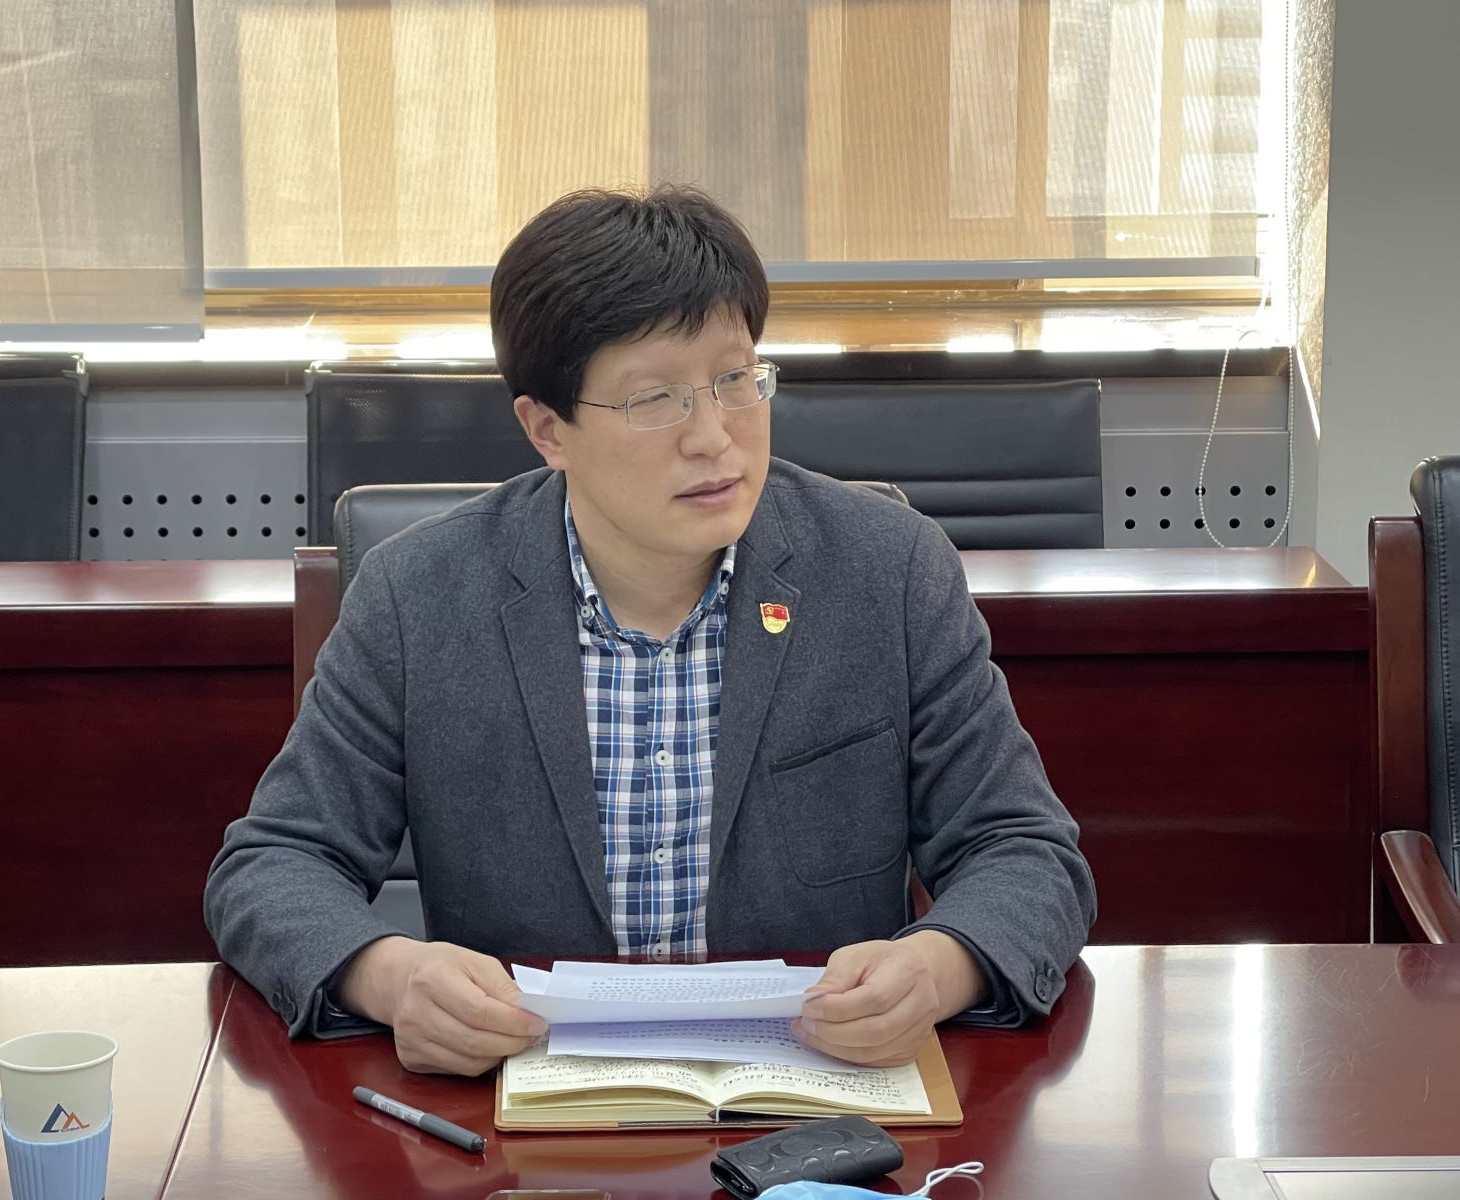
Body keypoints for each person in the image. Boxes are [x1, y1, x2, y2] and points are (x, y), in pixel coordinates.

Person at [205, 186, 1095, 1078]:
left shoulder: (886, 572)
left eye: (736, 381)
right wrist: (390, 977)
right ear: (547, 429)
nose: (714, 438)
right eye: (655, 399)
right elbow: (273, 865)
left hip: (810, 1102)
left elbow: (1026, 853)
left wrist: (938, 965)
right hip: (524, 1102)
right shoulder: (420, 595)